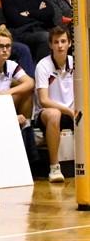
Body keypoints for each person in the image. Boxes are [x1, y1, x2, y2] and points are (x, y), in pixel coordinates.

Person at [33, 26, 75, 183]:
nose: (60, 46)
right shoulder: (43, 66)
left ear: (70, 43)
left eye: (63, 41)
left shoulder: (75, 62)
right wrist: (69, 111)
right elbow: (44, 100)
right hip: (47, 113)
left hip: (72, 110)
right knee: (54, 114)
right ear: (50, 45)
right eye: (56, 42)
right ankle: (55, 167)